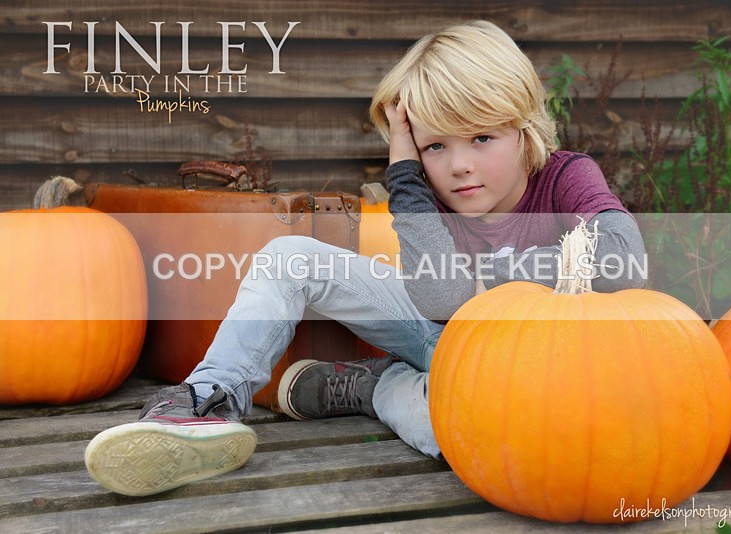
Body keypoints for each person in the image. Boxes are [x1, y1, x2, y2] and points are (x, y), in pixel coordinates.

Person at [84, 20, 646, 497]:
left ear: (522, 128)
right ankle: (206, 402)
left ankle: (375, 387)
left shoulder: (568, 178)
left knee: (475, 435)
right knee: (289, 258)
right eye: (434, 146)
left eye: (480, 138)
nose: (458, 167)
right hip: (437, 331)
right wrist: (404, 170)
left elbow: (625, 259)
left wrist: (489, 277)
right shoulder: (423, 186)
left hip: (521, 373)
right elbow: (438, 298)